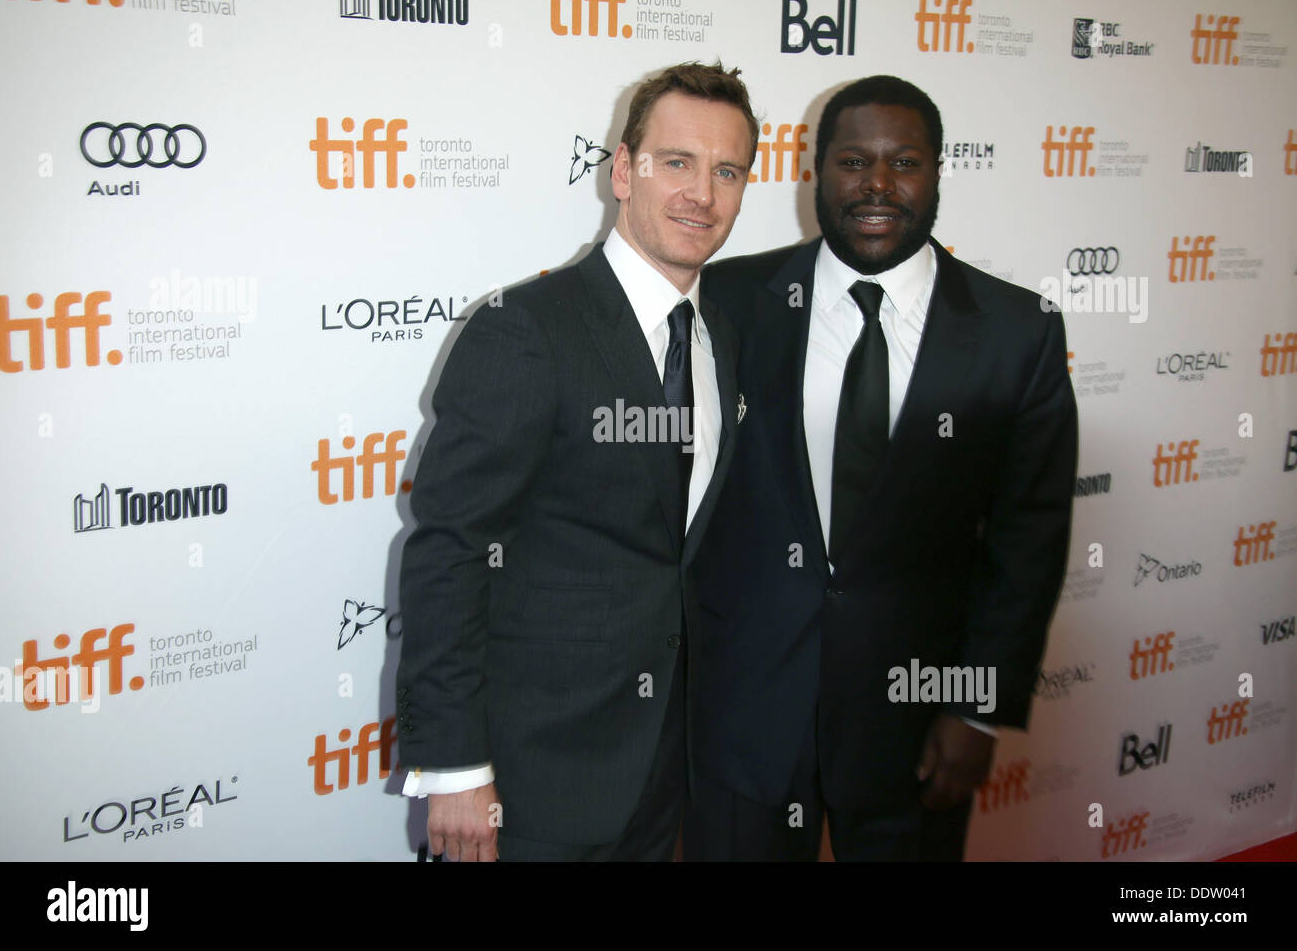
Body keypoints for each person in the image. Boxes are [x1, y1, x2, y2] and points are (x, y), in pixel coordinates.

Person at [684, 75, 1078, 861]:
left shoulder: (1015, 331)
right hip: (743, 714)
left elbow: (1027, 538)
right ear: (816, 171)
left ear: (936, 173)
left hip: (918, 720)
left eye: (905, 163)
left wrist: (974, 710)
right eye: (853, 161)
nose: (877, 185)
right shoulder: (726, 297)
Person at [394, 61, 757, 861]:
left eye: (726, 171)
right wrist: (454, 764)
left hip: (661, 771)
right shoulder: (526, 329)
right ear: (623, 171)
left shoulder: (719, 339)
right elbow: (449, 547)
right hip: (529, 779)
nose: (702, 192)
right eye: (676, 162)